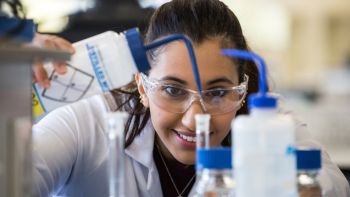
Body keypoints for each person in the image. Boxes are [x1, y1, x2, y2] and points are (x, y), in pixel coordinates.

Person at [32, 0, 350, 196]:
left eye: (217, 93)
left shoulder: (266, 121)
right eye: (172, 90)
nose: (194, 118)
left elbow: (331, 184)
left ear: (241, 90)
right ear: (142, 86)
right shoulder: (88, 122)